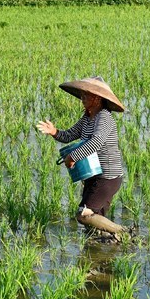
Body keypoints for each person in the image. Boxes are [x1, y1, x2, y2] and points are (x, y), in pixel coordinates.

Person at [36, 77, 126, 234]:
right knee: (93, 225)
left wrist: (73, 157)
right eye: (82, 95)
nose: (82, 99)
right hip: (94, 175)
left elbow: (96, 142)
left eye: (85, 95)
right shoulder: (87, 118)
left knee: (83, 214)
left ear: (97, 98)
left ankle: (124, 232)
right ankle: (106, 251)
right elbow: (69, 135)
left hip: (107, 177)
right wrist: (54, 132)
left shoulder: (104, 117)